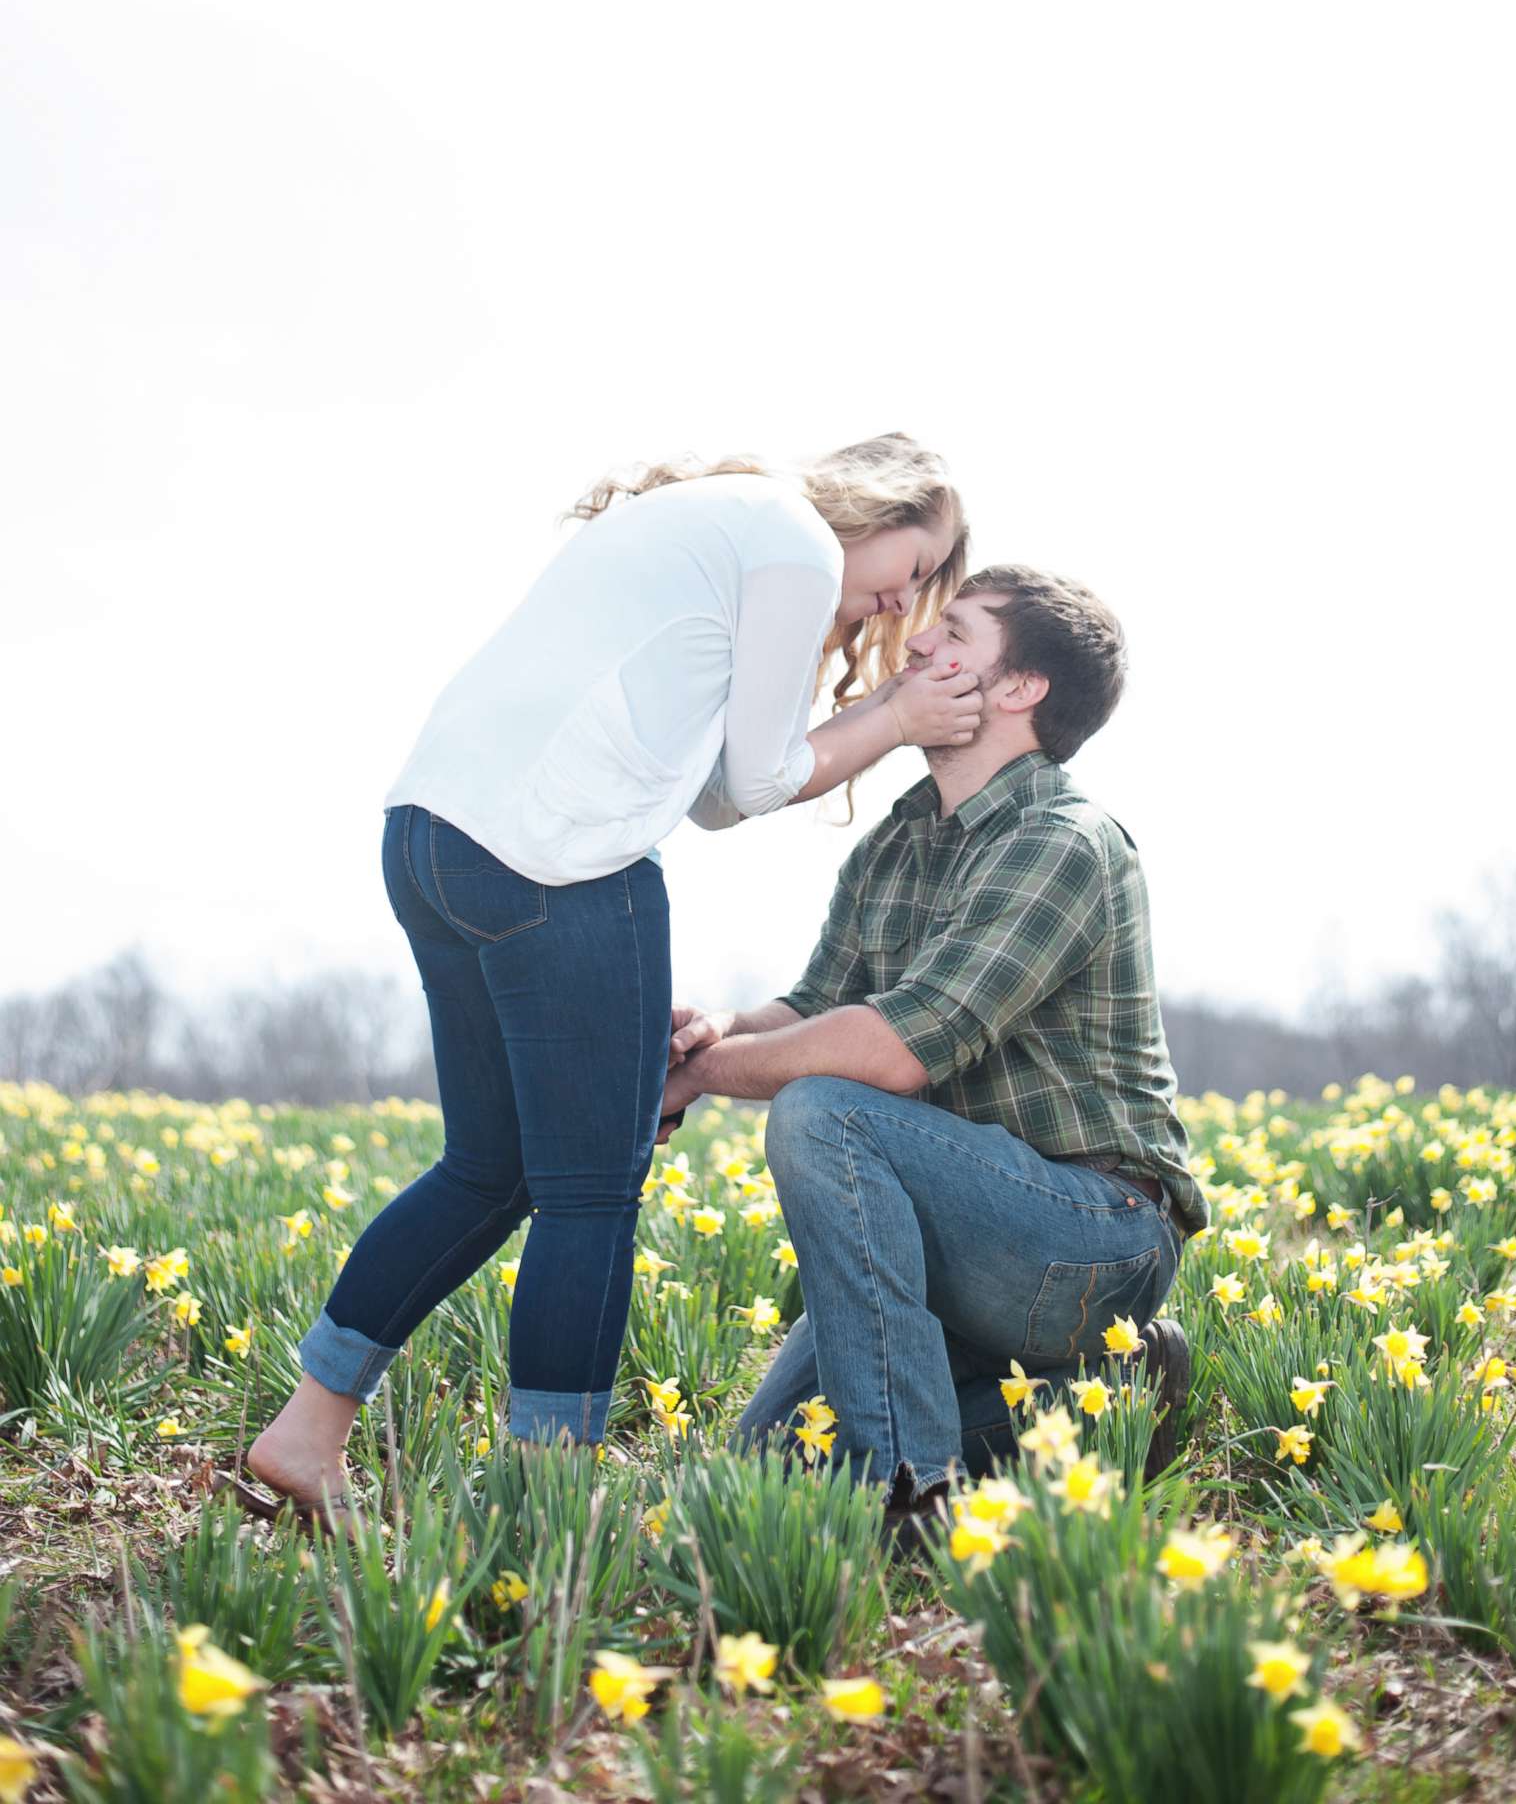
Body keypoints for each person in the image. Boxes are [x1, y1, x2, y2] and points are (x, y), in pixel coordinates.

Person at [240, 435, 972, 1526]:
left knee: (487, 1170)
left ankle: (306, 1432)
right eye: (917, 565)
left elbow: (724, 794)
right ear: (880, 504)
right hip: (561, 867)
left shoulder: (723, 523)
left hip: (433, 841)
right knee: (591, 1194)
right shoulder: (798, 544)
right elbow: (764, 779)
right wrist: (901, 722)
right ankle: (548, 1504)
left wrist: (862, 719)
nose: (901, 599)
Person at [656, 564, 1207, 1530]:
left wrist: (700, 1081)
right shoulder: (899, 842)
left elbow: (891, 1052)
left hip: (1089, 1234)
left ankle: (914, 1493)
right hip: (952, 1223)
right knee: (769, 1469)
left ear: (1017, 689)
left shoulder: (1061, 841)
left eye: (953, 632)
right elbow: (816, 1009)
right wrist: (703, 1038)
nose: (915, 644)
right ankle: (1110, 1395)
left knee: (823, 1110)